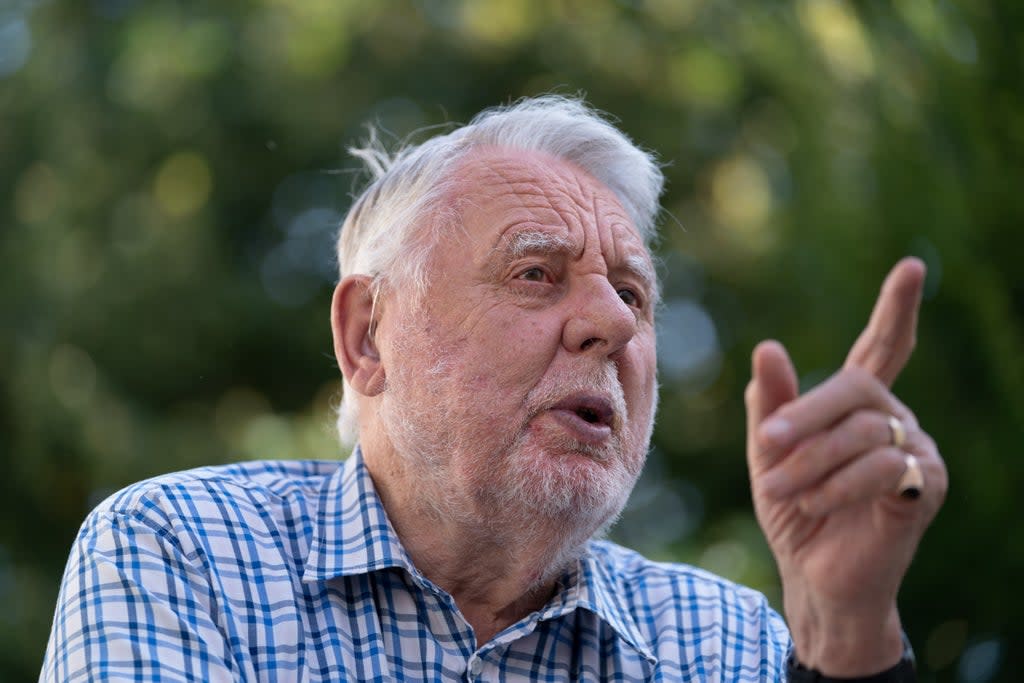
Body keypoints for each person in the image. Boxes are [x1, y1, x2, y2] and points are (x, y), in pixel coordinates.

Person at [41, 96, 946, 682]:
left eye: (633, 293)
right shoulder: (183, 556)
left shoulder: (731, 644)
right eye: (535, 274)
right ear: (368, 335)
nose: (615, 324)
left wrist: (846, 636)